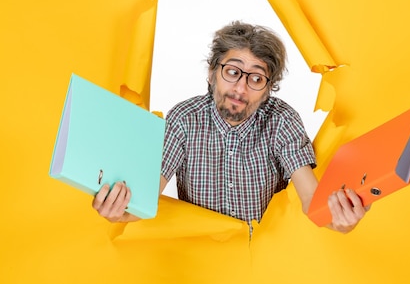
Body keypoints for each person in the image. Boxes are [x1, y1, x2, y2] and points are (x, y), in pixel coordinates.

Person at [93, 21, 367, 233]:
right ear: (212, 73)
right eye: (233, 72)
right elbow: (147, 196)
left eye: (256, 78)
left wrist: (342, 222)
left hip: (261, 260)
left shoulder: (281, 121)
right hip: (202, 260)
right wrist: (119, 211)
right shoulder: (185, 119)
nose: (240, 88)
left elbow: (310, 198)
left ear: (268, 89)